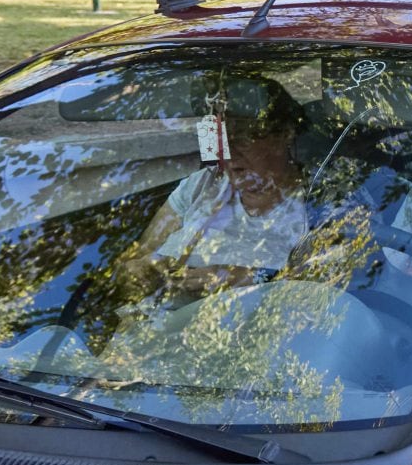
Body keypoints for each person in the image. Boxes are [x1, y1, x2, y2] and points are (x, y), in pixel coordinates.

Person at [119, 76, 310, 299]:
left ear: (284, 134)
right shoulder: (201, 185)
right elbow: (134, 259)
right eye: (223, 141)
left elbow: (320, 287)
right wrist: (139, 273)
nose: (229, 153)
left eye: (243, 138)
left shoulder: (315, 201)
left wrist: (242, 278)